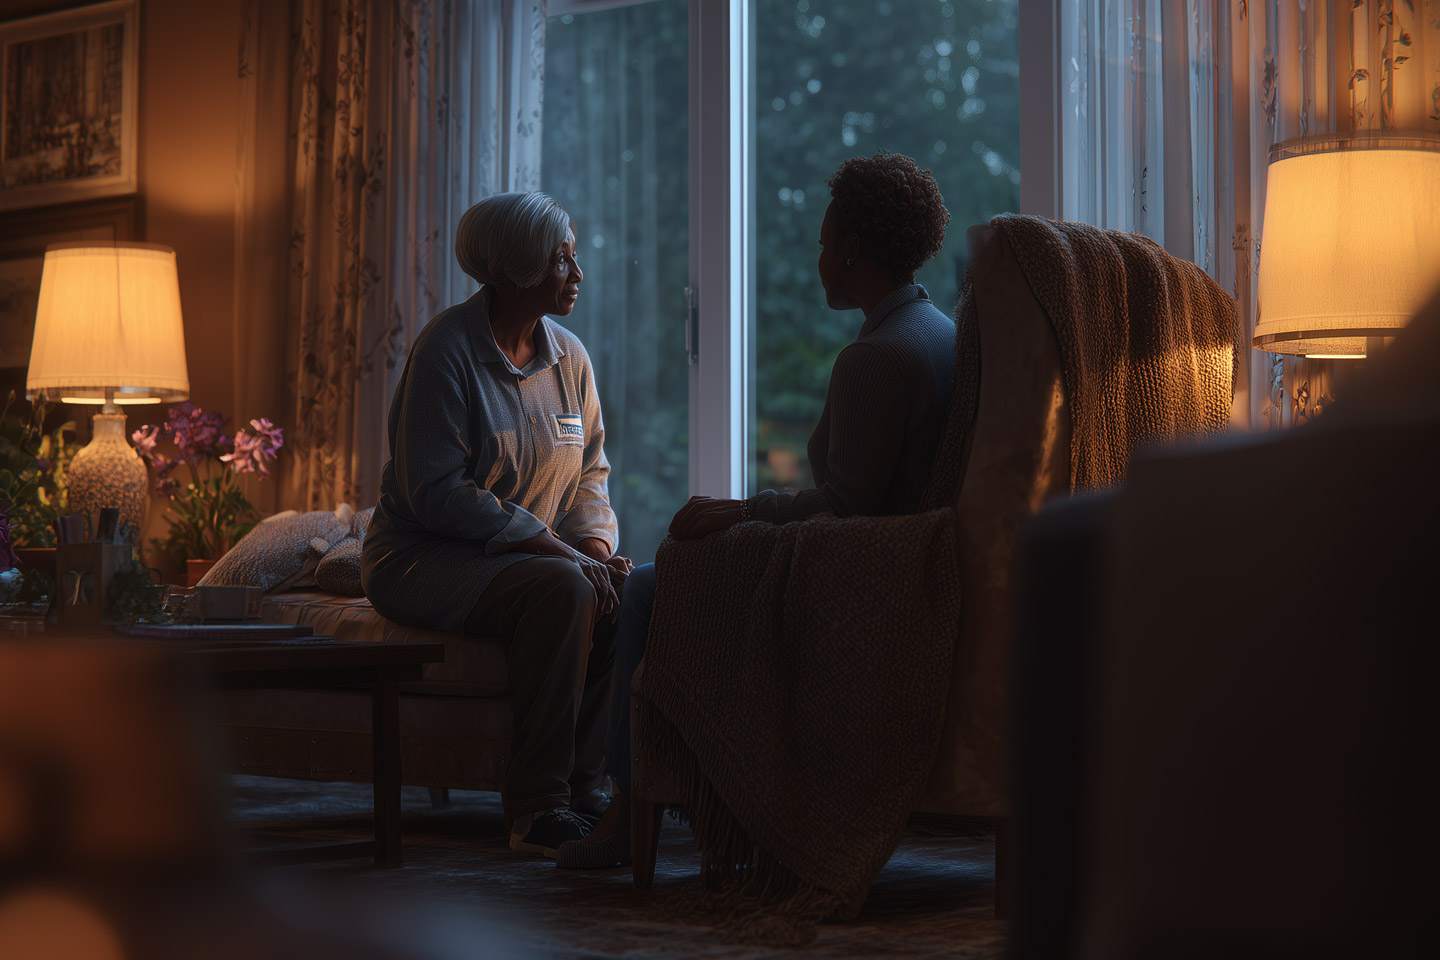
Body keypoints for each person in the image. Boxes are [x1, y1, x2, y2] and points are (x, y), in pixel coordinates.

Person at [557, 152, 956, 868]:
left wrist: (743, 510)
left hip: (860, 579)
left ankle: (630, 809)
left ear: (853, 251)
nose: (819, 260)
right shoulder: (940, 334)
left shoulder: (875, 358)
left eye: (824, 245)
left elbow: (846, 506)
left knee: (650, 583)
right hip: (905, 566)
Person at [361, 192, 632, 858]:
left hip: (527, 557)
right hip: (422, 557)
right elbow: (438, 495)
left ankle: (587, 790)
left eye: (573, 257)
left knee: (625, 591)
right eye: (561, 260)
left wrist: (593, 548)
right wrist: (559, 555)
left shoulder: (570, 358)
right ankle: (537, 810)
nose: (577, 273)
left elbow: (590, 473)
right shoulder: (445, 352)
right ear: (513, 271)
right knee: (565, 589)